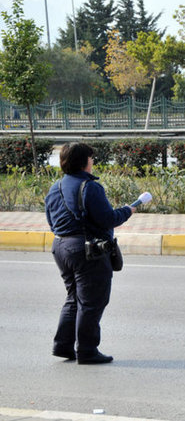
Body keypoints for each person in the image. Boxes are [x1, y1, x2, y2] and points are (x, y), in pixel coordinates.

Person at [45, 142, 136, 364]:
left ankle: (64, 346)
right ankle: (87, 350)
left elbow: (51, 219)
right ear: (84, 162)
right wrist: (128, 210)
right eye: (91, 158)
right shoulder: (90, 187)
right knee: (92, 301)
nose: (93, 162)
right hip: (86, 250)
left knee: (74, 298)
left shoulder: (55, 187)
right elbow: (108, 218)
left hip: (61, 247)